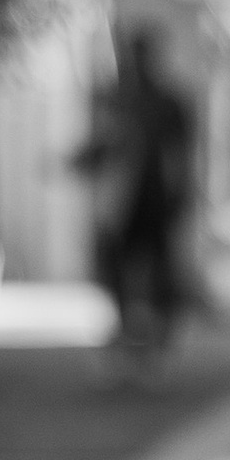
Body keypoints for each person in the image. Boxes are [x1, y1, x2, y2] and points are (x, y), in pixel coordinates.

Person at [77, 26, 194, 368]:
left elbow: (180, 155)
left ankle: (155, 345)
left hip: (154, 201)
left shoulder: (167, 103)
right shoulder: (118, 99)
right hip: (122, 203)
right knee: (117, 272)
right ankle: (128, 340)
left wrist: (180, 193)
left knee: (158, 273)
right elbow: (101, 144)